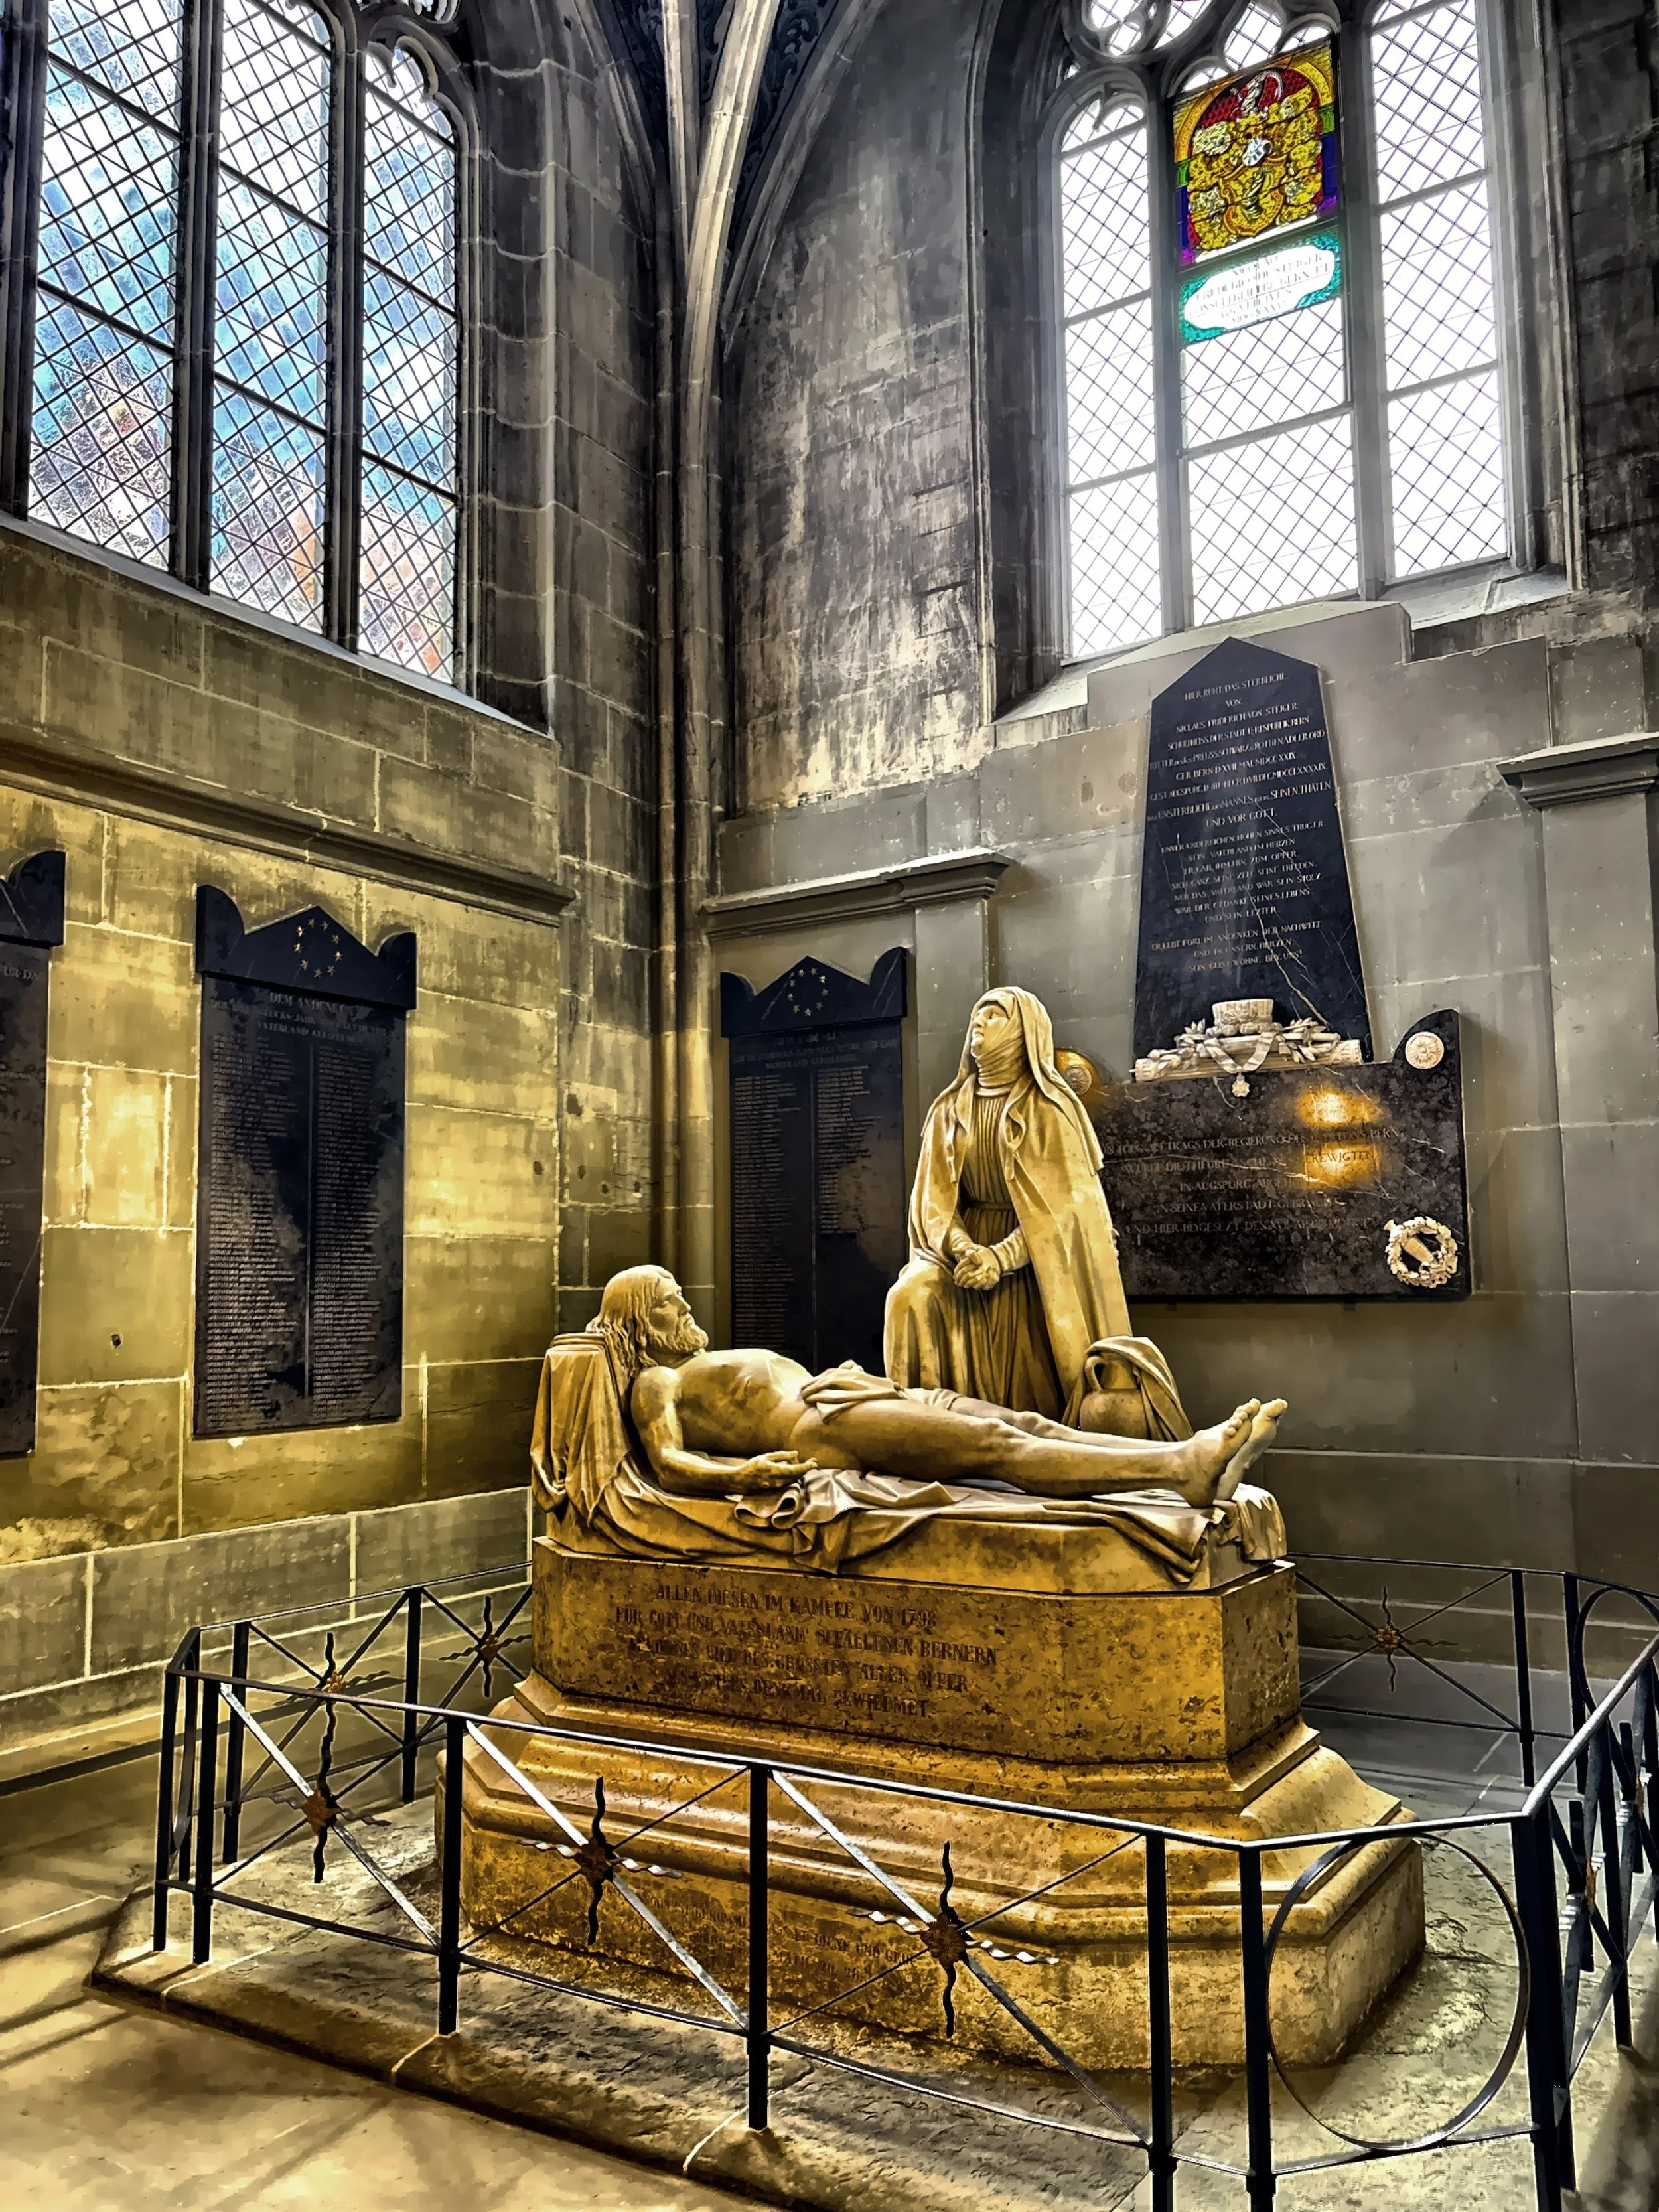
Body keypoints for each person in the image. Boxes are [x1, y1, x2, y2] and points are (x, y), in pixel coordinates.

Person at [530, 1266, 1286, 1580]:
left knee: (1026, 1421)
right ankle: (1178, 1470)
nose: (685, 1311)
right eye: (666, 1304)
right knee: (995, 1447)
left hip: (847, 1395)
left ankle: (1176, 1460)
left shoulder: (687, 1358)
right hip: (821, 1435)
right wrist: (744, 1474)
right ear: (636, 1318)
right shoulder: (655, 1382)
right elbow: (667, 1467)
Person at [884, 988, 1135, 1420]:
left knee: (1036, 1374)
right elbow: (934, 1202)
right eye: (976, 1014)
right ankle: (917, 1428)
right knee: (908, 1295)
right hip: (960, 1258)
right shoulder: (948, 1110)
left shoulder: (1048, 1110)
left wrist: (999, 1260)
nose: (979, 1022)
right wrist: (965, 1251)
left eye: (994, 1015)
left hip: (1031, 1263)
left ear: (1024, 1031)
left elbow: (1063, 1213)